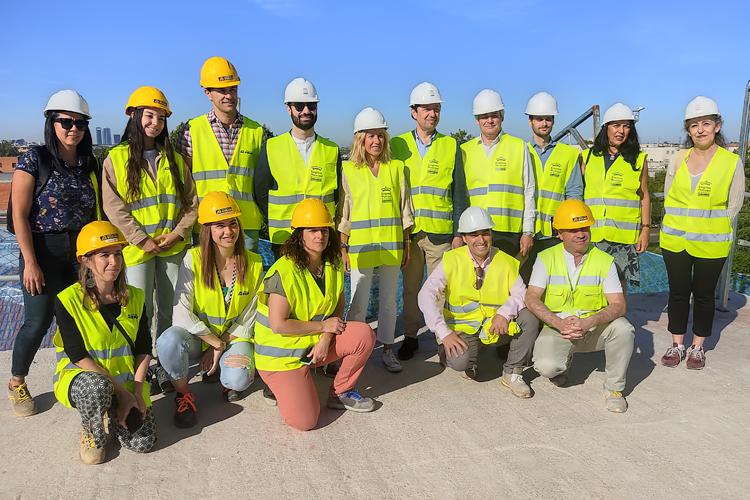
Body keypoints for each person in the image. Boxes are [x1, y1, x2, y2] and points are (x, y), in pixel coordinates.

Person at [8, 90, 100, 417]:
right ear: (52, 123)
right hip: (42, 250)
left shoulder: (88, 163)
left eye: (79, 123)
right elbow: (18, 214)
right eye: (65, 122)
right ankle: (17, 381)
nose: (73, 128)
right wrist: (30, 262)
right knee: (38, 320)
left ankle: (79, 376)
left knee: (77, 317)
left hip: (79, 254)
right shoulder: (35, 158)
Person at [102, 86, 198, 394]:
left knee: (168, 310)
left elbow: (192, 204)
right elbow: (112, 206)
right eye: (148, 115)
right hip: (137, 250)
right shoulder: (115, 160)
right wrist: (141, 239)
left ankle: (166, 367)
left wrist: (177, 233)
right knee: (138, 313)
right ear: (133, 116)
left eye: (160, 117)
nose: (154, 122)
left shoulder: (176, 160)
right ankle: (136, 371)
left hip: (171, 247)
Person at [254, 199, 376, 431]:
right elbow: (278, 325)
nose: (319, 235)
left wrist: (326, 339)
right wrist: (323, 329)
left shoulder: (333, 263)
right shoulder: (284, 271)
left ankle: (339, 393)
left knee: (364, 334)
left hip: (312, 346)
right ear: (299, 234)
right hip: (281, 358)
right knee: (305, 422)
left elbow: (337, 309)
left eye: (324, 230)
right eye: (312, 230)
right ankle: (277, 385)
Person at [156, 192, 264, 428]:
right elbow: (181, 313)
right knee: (168, 341)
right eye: (220, 226)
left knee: (238, 379)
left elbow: (250, 316)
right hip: (199, 340)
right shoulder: (192, 259)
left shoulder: (254, 263)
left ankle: (225, 375)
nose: (228, 231)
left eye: (232, 223)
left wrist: (222, 342)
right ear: (207, 229)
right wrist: (213, 343)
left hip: (232, 338)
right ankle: (184, 394)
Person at [52, 221, 155, 464]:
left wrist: (137, 393)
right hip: (85, 379)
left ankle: (113, 412)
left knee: (144, 443)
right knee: (97, 388)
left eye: (118, 254)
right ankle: (92, 431)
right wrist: (123, 394)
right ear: (86, 260)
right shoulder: (67, 300)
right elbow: (78, 355)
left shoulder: (136, 297)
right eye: (104, 255)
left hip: (125, 382)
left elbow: (143, 349)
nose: (114, 261)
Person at [659, 97, 745, 370]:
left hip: (711, 242)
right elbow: (669, 199)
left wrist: (710, 228)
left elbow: (734, 205)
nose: (700, 130)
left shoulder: (731, 162)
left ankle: (697, 347)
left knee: (705, 295)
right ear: (688, 130)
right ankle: (677, 343)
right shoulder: (677, 159)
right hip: (675, 241)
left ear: (717, 126)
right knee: (678, 293)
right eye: (694, 125)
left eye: (706, 123)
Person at [526, 199, 635, 413]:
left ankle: (614, 389)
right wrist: (558, 322)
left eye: (584, 228)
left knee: (624, 329)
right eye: (573, 230)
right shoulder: (545, 258)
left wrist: (589, 322)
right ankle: (565, 360)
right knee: (546, 366)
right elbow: (531, 298)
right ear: (559, 233)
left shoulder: (604, 261)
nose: (580, 234)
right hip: (559, 329)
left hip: (594, 328)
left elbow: (619, 305)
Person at [418, 207, 540, 396]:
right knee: (460, 362)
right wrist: (443, 332)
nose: (481, 240)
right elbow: (426, 294)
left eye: (485, 233)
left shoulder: (506, 261)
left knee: (529, 316)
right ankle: (466, 360)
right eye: (474, 234)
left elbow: (521, 294)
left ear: (492, 234)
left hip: (496, 327)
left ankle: (513, 373)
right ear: (464, 238)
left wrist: (504, 313)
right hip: (464, 329)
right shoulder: (451, 260)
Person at [391, 82, 467, 361]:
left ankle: (441, 338)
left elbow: (460, 192)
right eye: (426, 109)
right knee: (410, 289)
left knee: (441, 291)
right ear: (413, 112)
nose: (432, 114)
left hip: (441, 234)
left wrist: (459, 233)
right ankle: (411, 336)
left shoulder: (451, 146)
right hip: (410, 234)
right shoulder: (397, 144)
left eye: (436, 109)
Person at [337, 108, 414, 373]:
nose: (376, 141)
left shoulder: (396, 168)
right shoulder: (349, 169)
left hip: (392, 246)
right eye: (370, 136)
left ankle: (388, 349)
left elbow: (405, 209)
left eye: (380, 135)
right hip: (360, 247)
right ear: (360, 139)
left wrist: (407, 242)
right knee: (357, 302)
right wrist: (343, 246)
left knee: (389, 301)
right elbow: (344, 212)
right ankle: (351, 350)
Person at [175, 56, 265, 251]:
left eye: (233, 89)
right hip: (207, 223)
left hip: (246, 224)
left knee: (247, 279)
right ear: (208, 93)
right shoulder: (191, 130)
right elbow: (182, 182)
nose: (229, 95)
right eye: (222, 90)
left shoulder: (256, 131)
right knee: (208, 279)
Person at [254, 77, 341, 256]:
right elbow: (261, 192)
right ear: (289, 108)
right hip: (285, 238)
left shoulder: (332, 150)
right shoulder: (271, 147)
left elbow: (338, 193)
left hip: (321, 240)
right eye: (299, 106)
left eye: (311, 106)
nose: (306, 111)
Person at [581, 103, 650, 295]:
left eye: (626, 126)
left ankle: (616, 324)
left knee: (618, 288)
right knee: (590, 285)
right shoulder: (587, 157)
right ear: (606, 128)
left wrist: (645, 230)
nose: (621, 131)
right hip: (592, 235)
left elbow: (644, 196)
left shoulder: (638, 159)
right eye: (616, 125)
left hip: (623, 239)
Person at [462, 89, 537, 261]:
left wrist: (528, 231)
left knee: (508, 285)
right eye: (484, 116)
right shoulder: (464, 150)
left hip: (510, 234)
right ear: (477, 119)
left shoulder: (519, 147)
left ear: (502, 116)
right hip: (476, 233)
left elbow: (529, 190)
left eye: (494, 115)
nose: (489, 120)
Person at [520, 92, 583, 283]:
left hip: (554, 233)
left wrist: (568, 227)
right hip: (523, 231)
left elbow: (574, 195)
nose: (544, 123)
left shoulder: (568, 154)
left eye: (548, 119)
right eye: (539, 119)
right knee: (521, 283)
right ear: (530, 121)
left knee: (553, 283)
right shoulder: (519, 150)